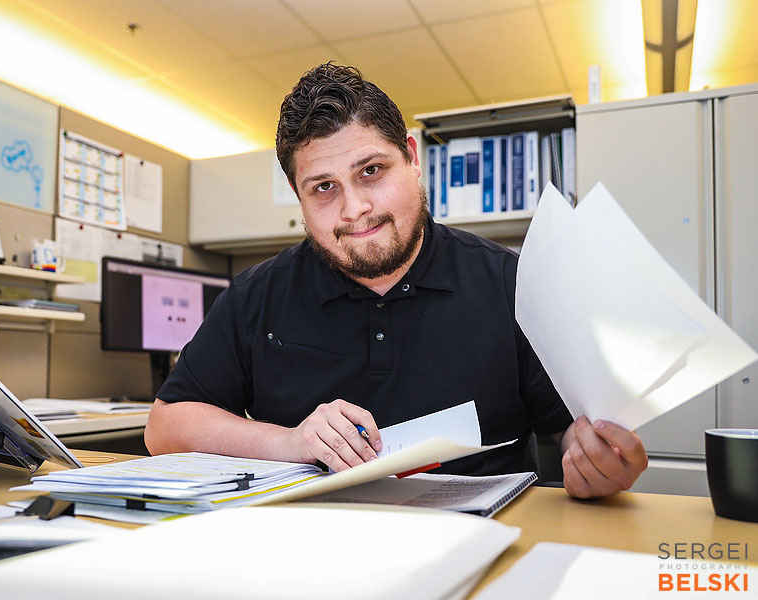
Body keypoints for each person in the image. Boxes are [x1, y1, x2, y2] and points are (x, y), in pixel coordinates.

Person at [145, 62, 648, 499]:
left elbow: (570, 430)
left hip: (489, 540)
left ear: (411, 156)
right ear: (300, 198)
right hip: (313, 546)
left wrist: (595, 462)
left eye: (371, 171)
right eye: (324, 187)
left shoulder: (511, 283)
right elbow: (165, 425)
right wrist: (289, 442)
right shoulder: (256, 295)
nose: (354, 208)